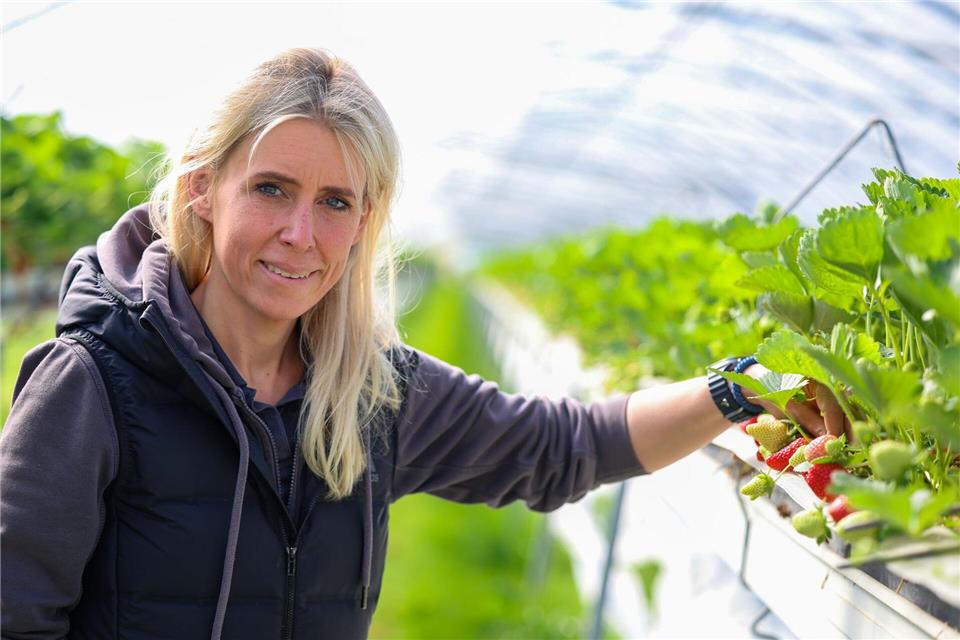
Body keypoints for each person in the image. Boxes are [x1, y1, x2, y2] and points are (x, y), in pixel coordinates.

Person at [0, 48, 845, 640]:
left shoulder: (369, 394)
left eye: (335, 202)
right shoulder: (95, 380)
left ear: (364, 221)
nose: (301, 233)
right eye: (272, 188)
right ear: (202, 190)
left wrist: (737, 390)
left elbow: (560, 447)